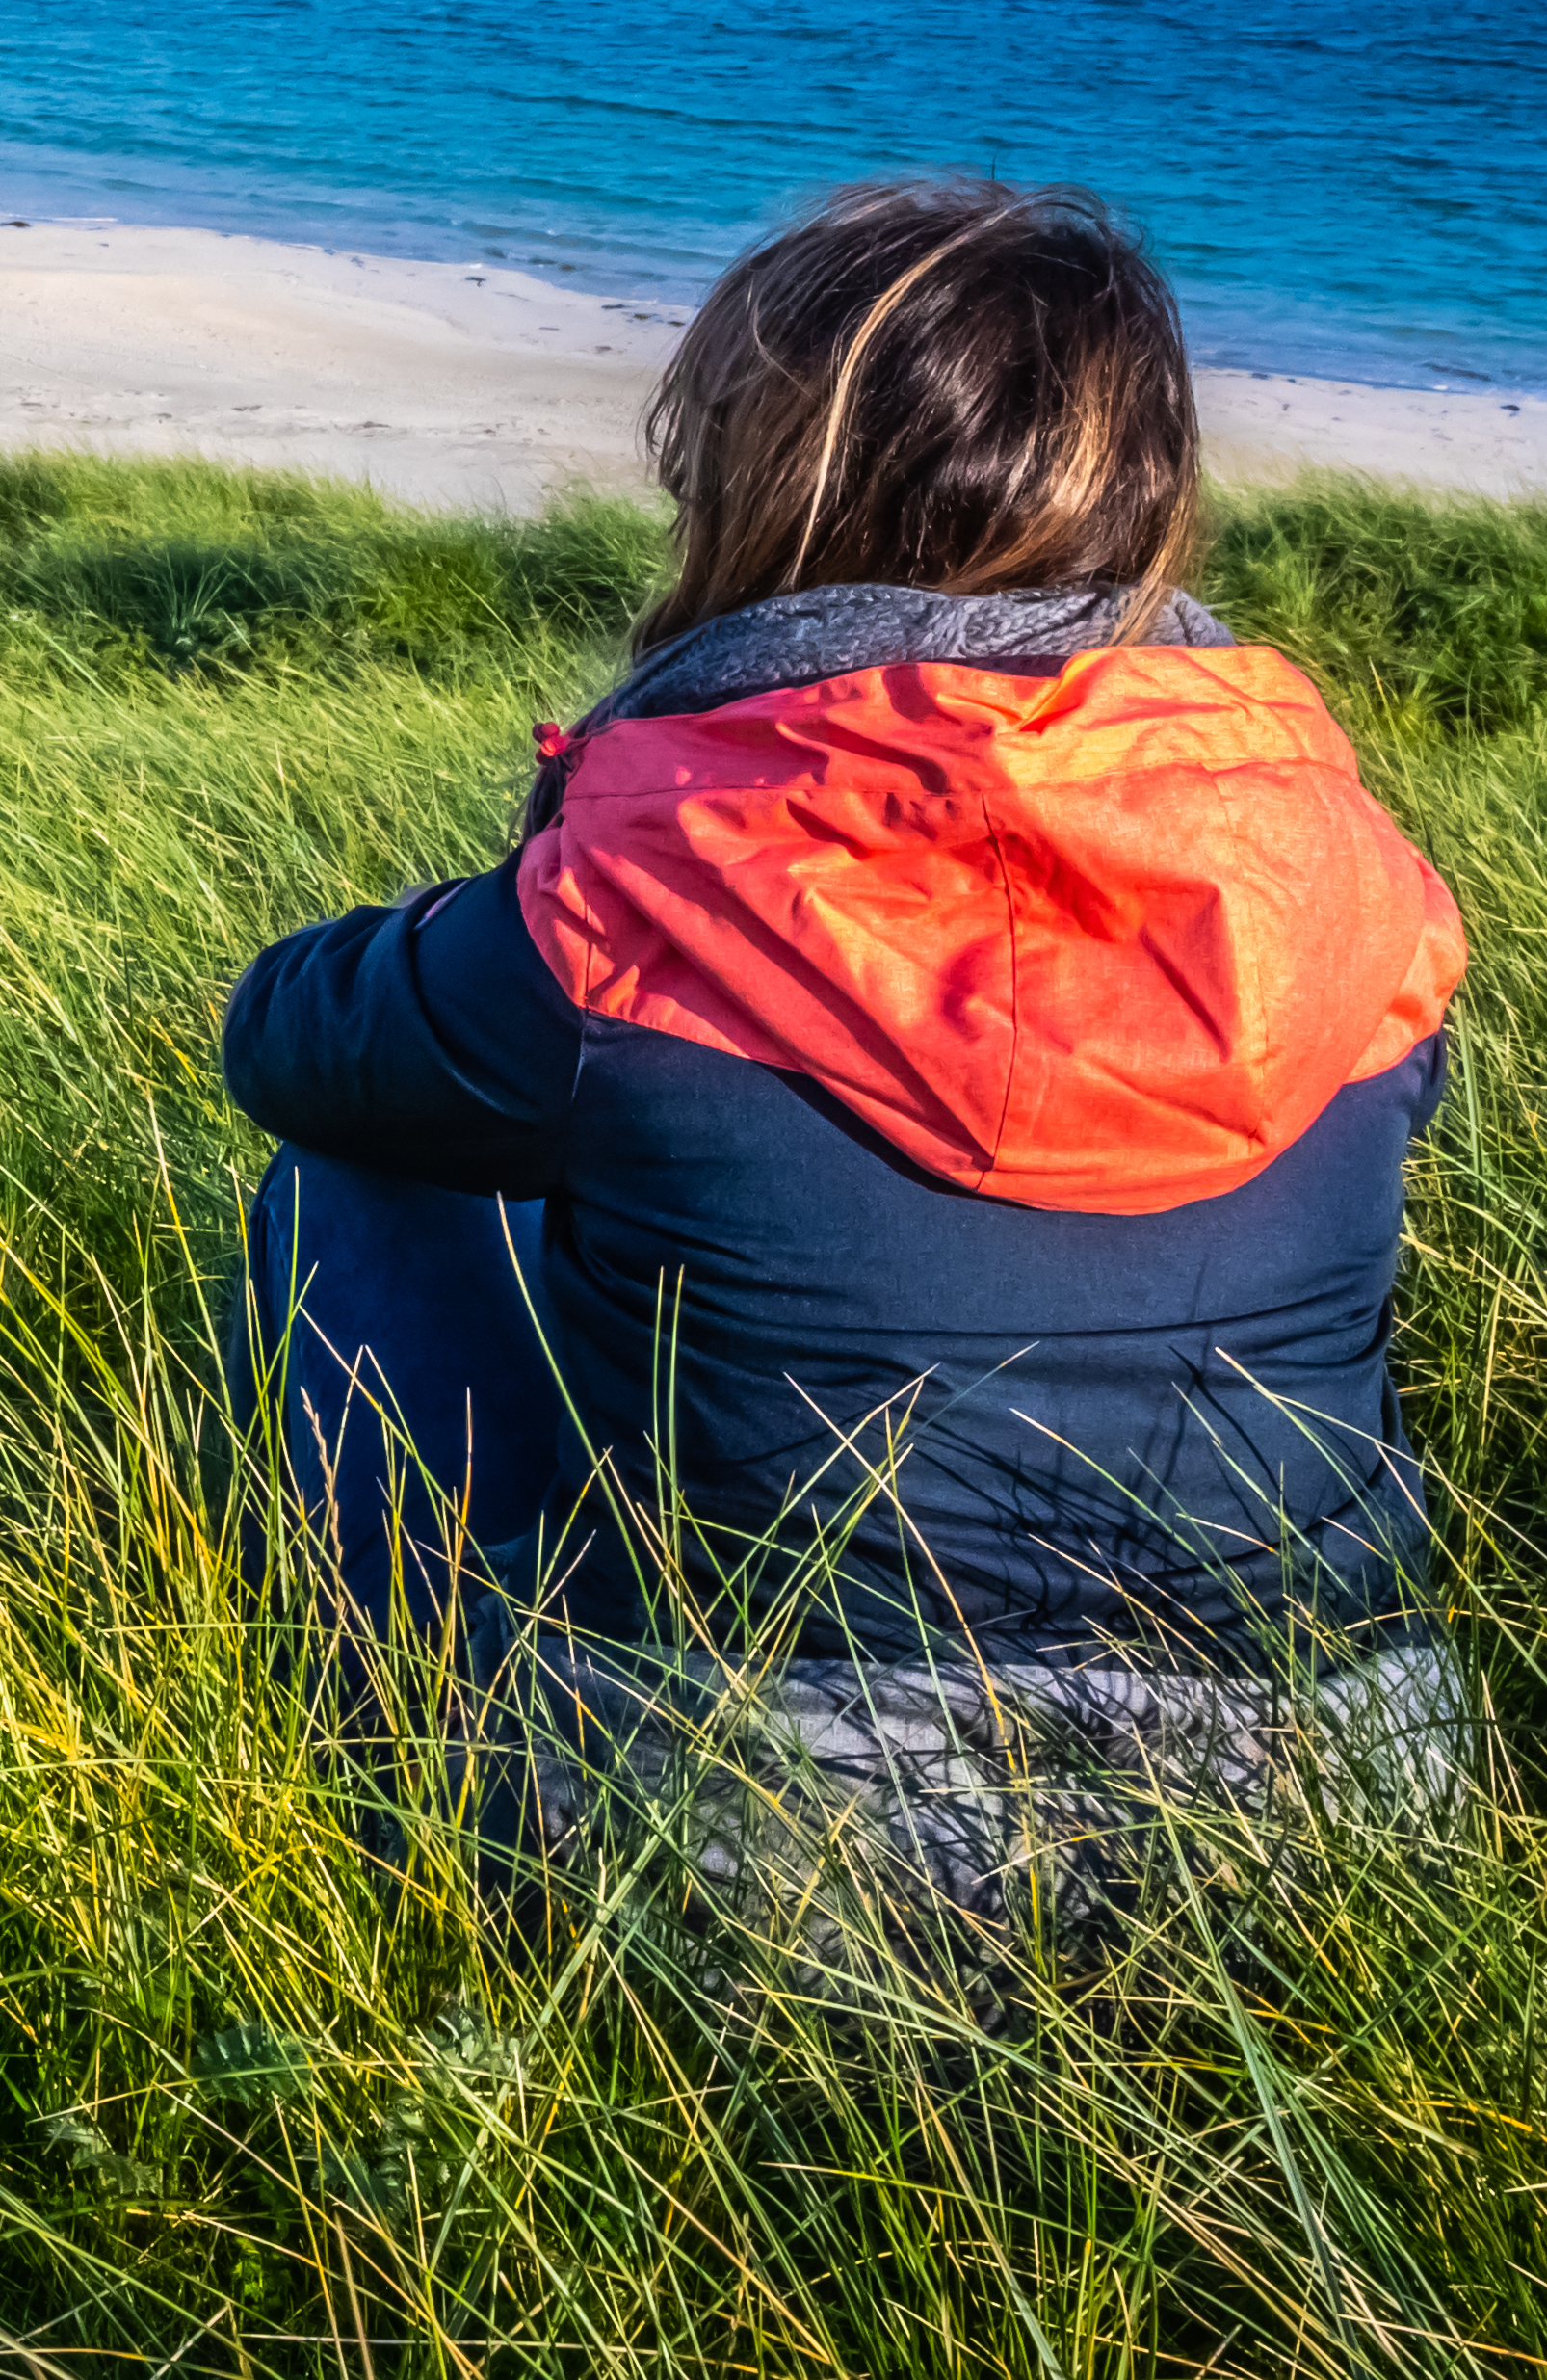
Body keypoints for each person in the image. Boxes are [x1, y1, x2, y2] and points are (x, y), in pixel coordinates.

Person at [221, 178, 1471, 1931]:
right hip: (1341, 1819)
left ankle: (361, 1761)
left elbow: (286, 1041)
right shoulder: (1360, 886)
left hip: (776, 1839)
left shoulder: (638, 900)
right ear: (1149, 496)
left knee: (352, 1179)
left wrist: (553, 863)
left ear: (755, 491)